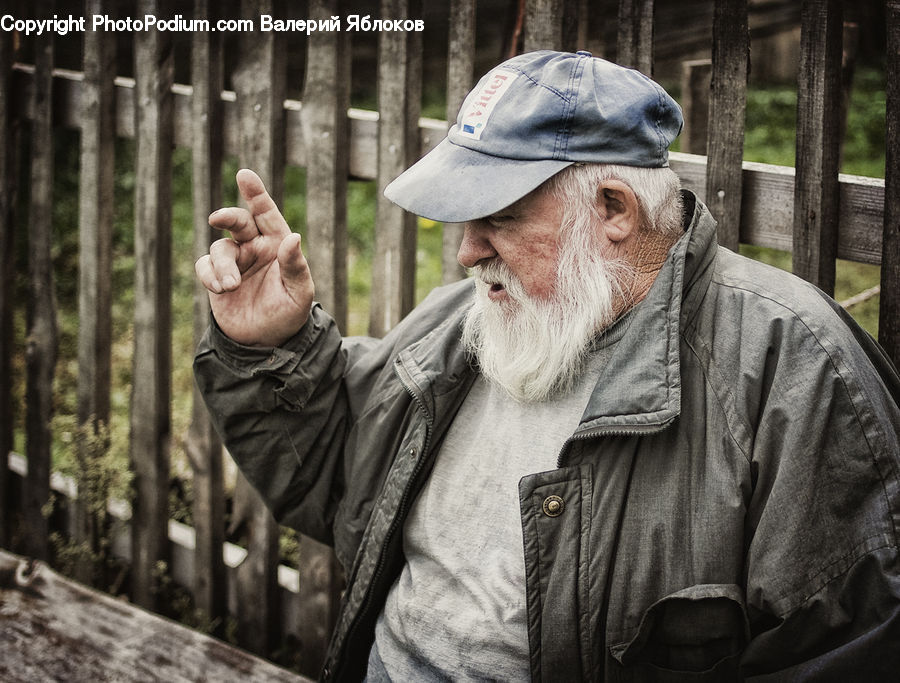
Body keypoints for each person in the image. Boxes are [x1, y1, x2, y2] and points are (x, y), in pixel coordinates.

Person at [194, 50, 900, 681]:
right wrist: (273, 345)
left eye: (495, 216)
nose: (466, 252)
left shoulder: (795, 369)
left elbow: (849, 648)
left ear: (614, 209)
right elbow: (339, 468)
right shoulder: (467, 321)